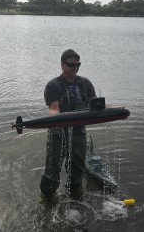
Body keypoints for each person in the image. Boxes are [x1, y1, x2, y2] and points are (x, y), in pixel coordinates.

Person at [40, 49, 96, 202]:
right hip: (58, 133)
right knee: (52, 170)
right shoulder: (53, 85)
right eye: (71, 65)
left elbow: (96, 106)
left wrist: (117, 109)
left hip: (79, 133)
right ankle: (47, 199)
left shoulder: (85, 83)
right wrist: (54, 121)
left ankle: (75, 197)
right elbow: (53, 108)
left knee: (77, 170)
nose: (75, 68)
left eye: (78, 65)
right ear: (62, 64)